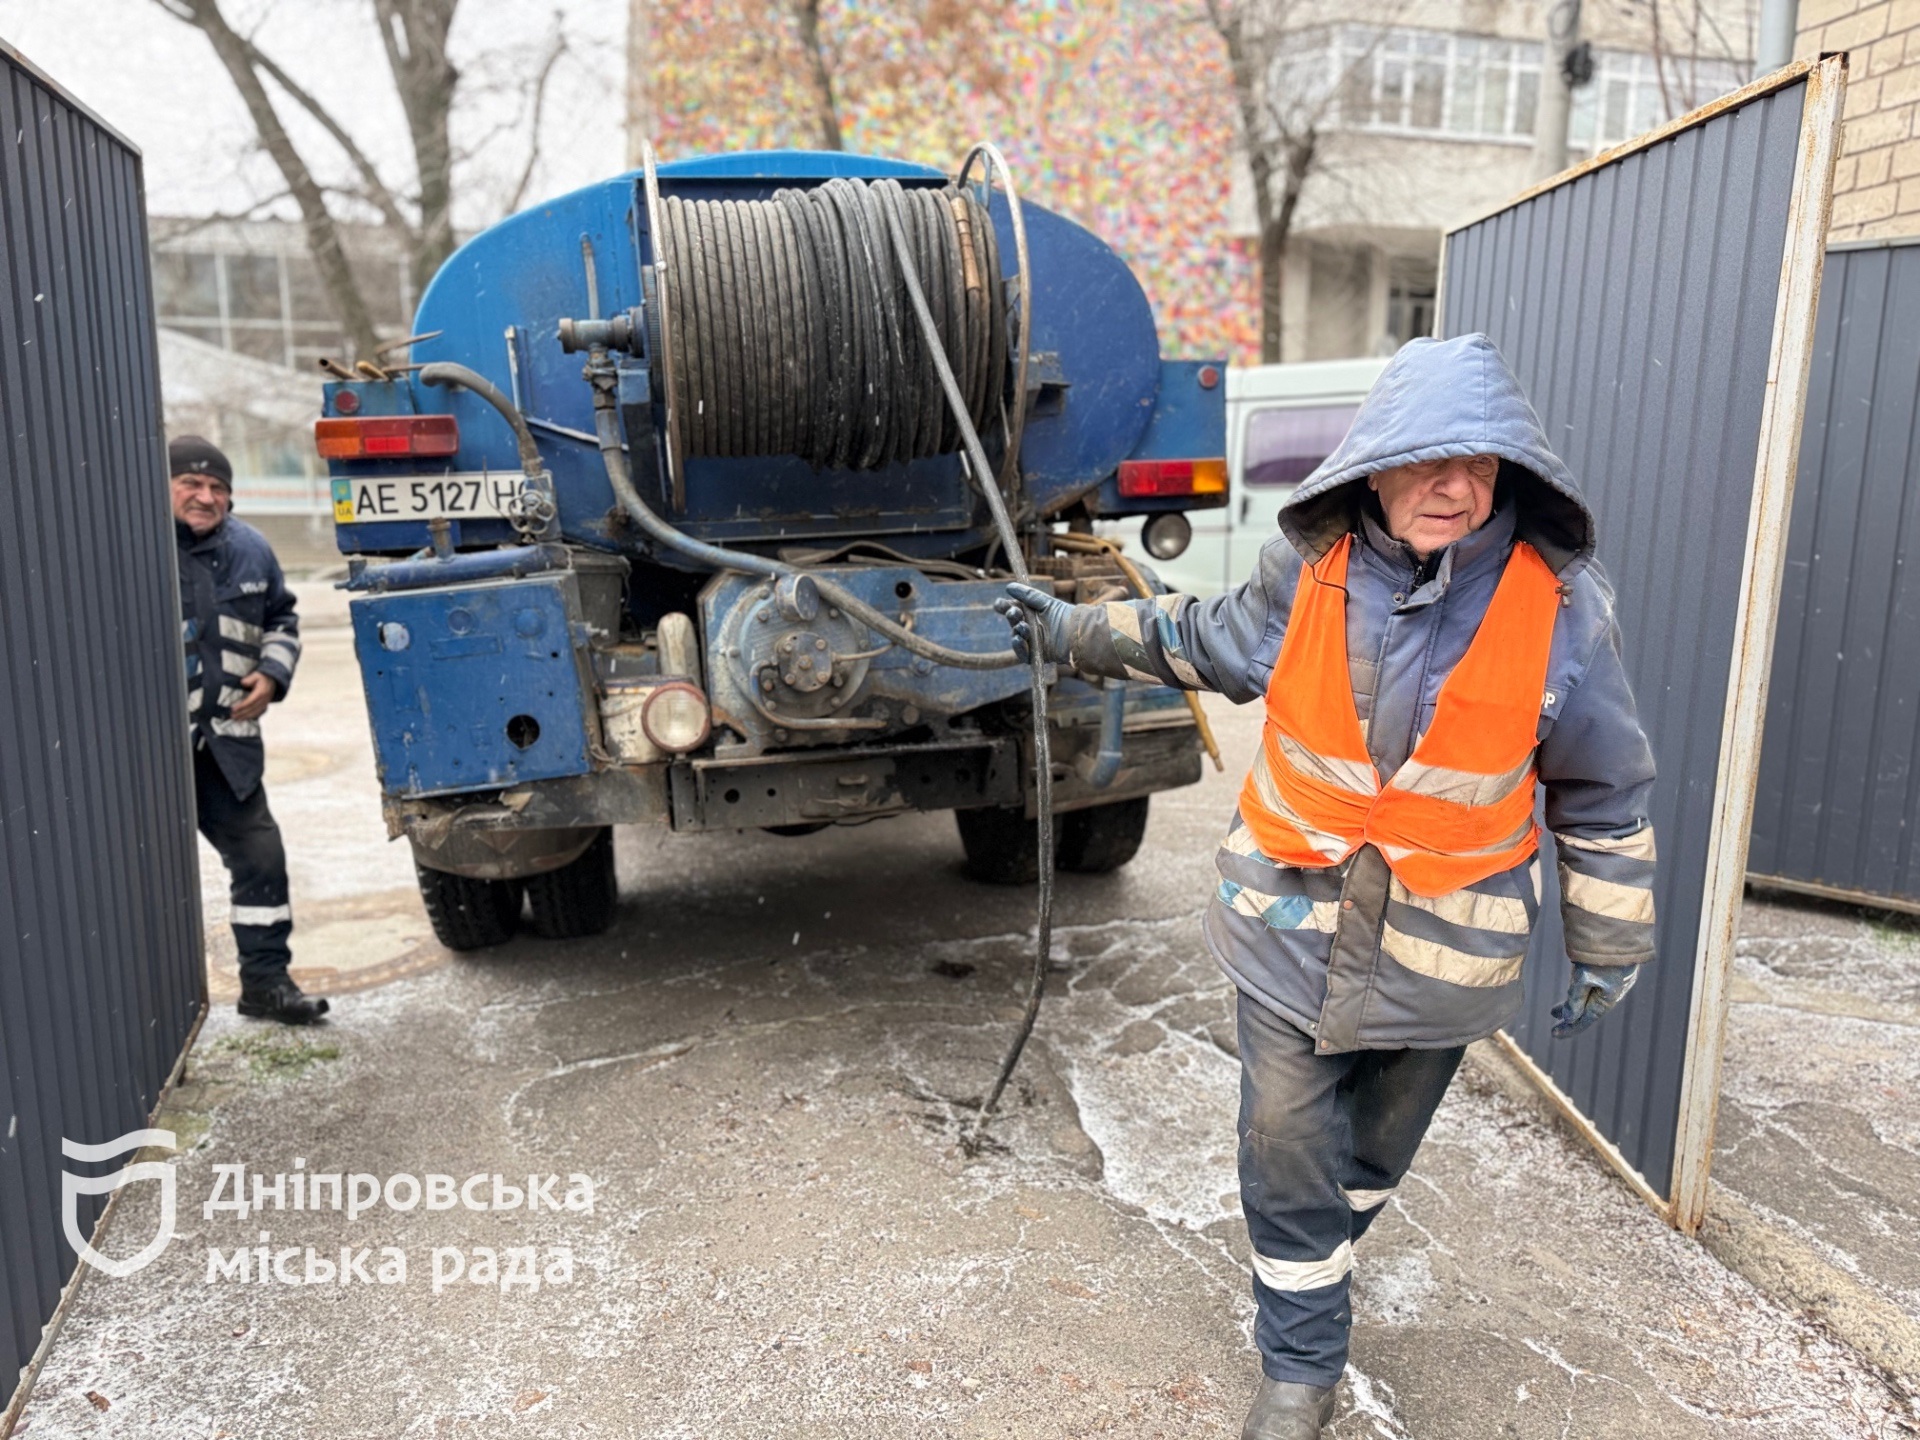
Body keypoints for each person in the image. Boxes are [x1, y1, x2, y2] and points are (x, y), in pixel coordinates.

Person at [999, 335, 1656, 1440]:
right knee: (1284, 1138)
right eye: (1430, 460)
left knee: (1369, 1162)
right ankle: (1300, 1367)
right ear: (1376, 464)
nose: (1456, 487)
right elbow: (1200, 640)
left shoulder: (1565, 609)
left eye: (1481, 466)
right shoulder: (1308, 571)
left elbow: (1602, 791)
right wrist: (1074, 632)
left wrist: (1610, 942)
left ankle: (1316, 1267)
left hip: (1447, 953)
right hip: (1288, 928)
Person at [171, 435, 329, 1025]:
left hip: (224, 747)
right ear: (164, 487)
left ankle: (265, 985)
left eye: (217, 488)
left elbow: (282, 619)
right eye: (191, 484)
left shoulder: (251, 549)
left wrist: (272, 672)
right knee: (145, 876)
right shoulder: (134, 548)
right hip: (147, 755)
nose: (205, 496)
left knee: (262, 858)